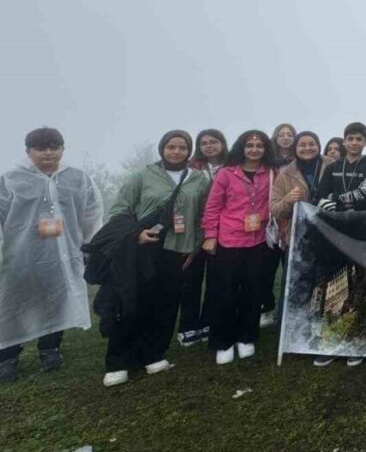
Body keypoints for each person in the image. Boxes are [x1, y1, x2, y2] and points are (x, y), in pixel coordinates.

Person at [103, 130, 210, 386]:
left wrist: (194, 248)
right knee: (132, 303)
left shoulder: (199, 179)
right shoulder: (142, 176)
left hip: (179, 251)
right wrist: (136, 234)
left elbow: (203, 216)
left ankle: (153, 354)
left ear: (189, 151)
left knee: (166, 304)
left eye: (182, 147)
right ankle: (118, 360)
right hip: (143, 250)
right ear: (162, 149)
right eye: (171, 147)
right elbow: (120, 211)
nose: (176, 152)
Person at [0, 128, 103, 383]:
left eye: (54, 147)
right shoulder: (10, 179)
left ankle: (50, 349)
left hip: (63, 255)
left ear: (62, 149)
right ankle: (8, 356)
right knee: (15, 305)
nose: (48, 152)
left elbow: (92, 211)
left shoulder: (77, 178)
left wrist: (91, 244)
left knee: (57, 300)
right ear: (28, 151)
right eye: (41, 148)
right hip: (18, 258)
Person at [201, 130, 277, 365]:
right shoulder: (226, 174)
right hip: (228, 240)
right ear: (241, 148)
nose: (254, 150)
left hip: (258, 242)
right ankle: (222, 341)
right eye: (249, 145)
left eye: (259, 145)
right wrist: (210, 235)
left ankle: (247, 337)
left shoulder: (271, 173)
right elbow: (213, 207)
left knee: (253, 291)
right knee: (225, 292)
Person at [262, 132, 328, 330]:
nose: (307, 148)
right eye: (302, 145)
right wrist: (289, 199)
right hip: (298, 237)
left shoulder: (332, 165)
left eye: (312, 144)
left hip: (329, 235)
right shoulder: (286, 173)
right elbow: (274, 208)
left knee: (325, 282)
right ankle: (291, 329)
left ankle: (323, 325)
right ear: (296, 148)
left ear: (318, 145)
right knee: (296, 284)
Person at [179, 128, 228, 346]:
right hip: (194, 230)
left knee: (216, 279)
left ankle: (208, 321)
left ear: (222, 144)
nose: (209, 146)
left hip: (222, 230)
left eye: (214, 141)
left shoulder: (231, 166)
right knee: (190, 279)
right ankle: (188, 325)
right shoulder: (189, 169)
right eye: (204, 143)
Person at [314, 123, 366, 212]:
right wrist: (342, 205)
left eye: (359, 139)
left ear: (365, 143)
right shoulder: (332, 167)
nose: (354, 143)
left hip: (362, 220)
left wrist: (334, 197)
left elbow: (364, 195)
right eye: (350, 139)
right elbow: (320, 197)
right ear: (344, 142)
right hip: (334, 220)